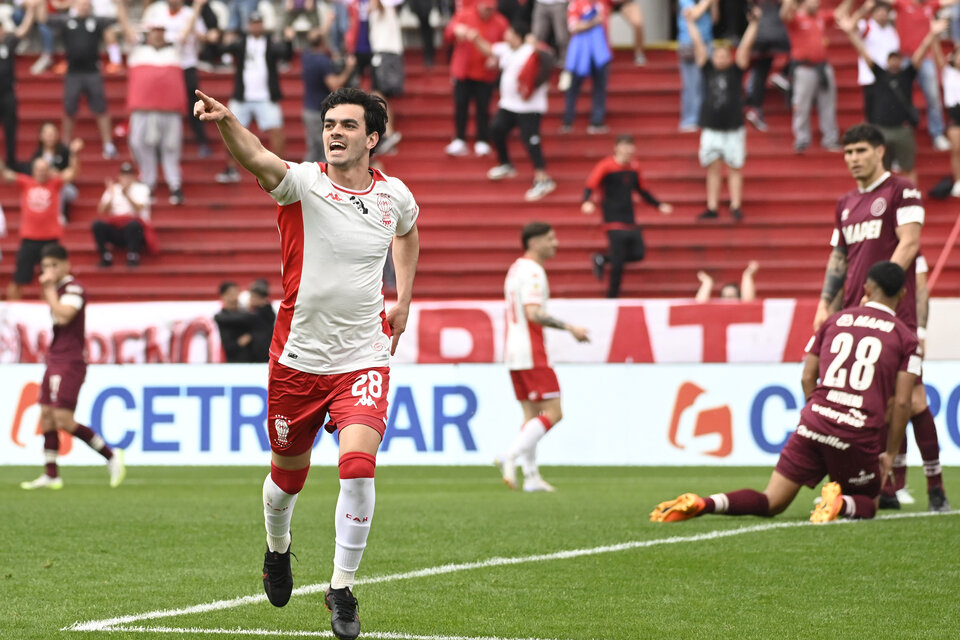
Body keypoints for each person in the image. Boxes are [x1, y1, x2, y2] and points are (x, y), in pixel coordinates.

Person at [194, 85, 420, 640]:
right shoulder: (303, 183)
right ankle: (278, 549)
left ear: (372, 137)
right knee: (286, 480)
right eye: (329, 124)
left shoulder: (395, 197)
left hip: (364, 356)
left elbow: (408, 234)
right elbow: (257, 157)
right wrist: (226, 122)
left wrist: (404, 298)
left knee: (358, 468)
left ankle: (341, 589)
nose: (335, 132)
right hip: (297, 358)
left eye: (347, 125)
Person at [651, 261, 921, 523]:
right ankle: (838, 503)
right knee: (868, 503)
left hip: (814, 422)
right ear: (903, 294)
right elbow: (902, 403)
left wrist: (819, 415)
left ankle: (704, 503)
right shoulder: (905, 338)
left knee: (771, 501)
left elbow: (807, 376)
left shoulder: (833, 321)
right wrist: (890, 455)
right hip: (855, 433)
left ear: (865, 289)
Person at [813, 123, 949, 512]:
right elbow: (838, 258)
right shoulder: (845, 203)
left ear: (878, 151)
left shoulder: (901, 190)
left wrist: (881, 288)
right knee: (876, 404)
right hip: (854, 314)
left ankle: (934, 486)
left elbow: (910, 241)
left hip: (895, 314)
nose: (853, 158)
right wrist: (826, 303)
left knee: (915, 399)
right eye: (847, 152)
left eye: (859, 150)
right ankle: (887, 485)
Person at [20, 243, 127, 490]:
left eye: (53, 265)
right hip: (55, 357)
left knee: (63, 419)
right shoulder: (58, 289)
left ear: (66, 264)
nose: (49, 270)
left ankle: (111, 456)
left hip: (70, 361)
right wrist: (49, 289)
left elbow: (64, 315)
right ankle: (51, 474)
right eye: (45, 266)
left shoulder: (74, 289)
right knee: (46, 415)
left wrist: (47, 289)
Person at [496, 221, 589, 492]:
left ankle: (532, 477)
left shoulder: (515, 269)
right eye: (550, 238)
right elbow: (534, 312)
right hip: (531, 350)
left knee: (531, 416)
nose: (555, 243)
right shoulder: (534, 271)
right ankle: (509, 455)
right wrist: (571, 328)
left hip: (513, 350)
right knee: (554, 412)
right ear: (534, 242)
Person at [837, 14, 947, 185]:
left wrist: (932, 35)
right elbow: (864, 52)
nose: (894, 63)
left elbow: (921, 52)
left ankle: (911, 201)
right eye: (892, 59)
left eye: (897, 59)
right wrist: (851, 34)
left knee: (908, 168)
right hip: (883, 129)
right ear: (887, 62)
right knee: (881, 170)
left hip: (902, 129)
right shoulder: (880, 75)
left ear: (901, 61)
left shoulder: (907, 75)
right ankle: (883, 205)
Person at [686, 3, 758, 221]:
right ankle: (713, 206)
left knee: (735, 167)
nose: (721, 59)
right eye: (717, 56)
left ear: (729, 57)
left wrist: (753, 25)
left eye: (724, 56)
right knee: (713, 168)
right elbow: (699, 45)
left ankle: (736, 205)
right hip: (711, 126)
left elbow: (745, 47)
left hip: (733, 126)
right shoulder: (707, 69)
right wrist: (690, 24)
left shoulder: (736, 71)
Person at [471, 22, 557, 201]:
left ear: (518, 35)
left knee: (531, 141)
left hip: (530, 106)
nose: (506, 35)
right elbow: (490, 50)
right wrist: (476, 38)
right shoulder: (506, 49)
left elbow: (550, 58)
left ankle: (543, 178)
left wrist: (537, 46)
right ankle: (506, 164)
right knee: (496, 130)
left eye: (509, 33)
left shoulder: (530, 50)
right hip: (509, 104)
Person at [581, 134, 673, 298]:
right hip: (612, 220)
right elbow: (591, 184)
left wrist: (659, 205)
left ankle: (602, 259)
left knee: (638, 253)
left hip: (629, 219)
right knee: (618, 264)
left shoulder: (634, 167)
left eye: (630, 146)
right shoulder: (606, 166)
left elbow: (642, 190)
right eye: (624, 146)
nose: (628, 149)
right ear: (616, 147)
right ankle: (612, 298)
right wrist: (587, 201)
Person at [215, 13, 295, 184]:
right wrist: (216, 39)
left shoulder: (270, 43)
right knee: (229, 131)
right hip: (242, 96)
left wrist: (289, 41)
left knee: (276, 132)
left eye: (258, 23)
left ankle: (280, 170)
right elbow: (220, 51)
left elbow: (286, 55)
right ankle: (230, 168)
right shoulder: (241, 42)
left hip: (266, 96)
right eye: (253, 23)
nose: (256, 27)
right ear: (248, 25)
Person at [0, 139, 82, 300]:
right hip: (29, 239)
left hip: (50, 240)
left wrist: (73, 153)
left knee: (50, 280)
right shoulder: (26, 183)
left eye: (44, 169)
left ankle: (48, 310)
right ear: (33, 170)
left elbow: (72, 172)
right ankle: (9, 312)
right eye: (38, 169)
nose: (41, 172)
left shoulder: (55, 183)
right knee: (19, 279)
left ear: (49, 170)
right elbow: (5, 174)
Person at [119, 19, 187, 205]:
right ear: (147, 33)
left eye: (161, 31)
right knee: (139, 143)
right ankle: (148, 182)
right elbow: (126, 28)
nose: (157, 34)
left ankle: (175, 185)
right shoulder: (137, 50)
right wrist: (120, 8)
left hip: (169, 109)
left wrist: (197, 8)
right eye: (154, 31)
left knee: (171, 147)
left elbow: (186, 32)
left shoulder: (174, 50)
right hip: (142, 109)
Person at [141, 0, 213, 158]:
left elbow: (201, 36)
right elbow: (155, 36)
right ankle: (161, 146)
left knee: (194, 104)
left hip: (187, 64)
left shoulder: (188, 13)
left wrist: (202, 32)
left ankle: (202, 141)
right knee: (164, 106)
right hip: (167, 64)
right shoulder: (158, 12)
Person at [443, 0, 509, 157]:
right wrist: (456, 30)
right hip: (463, 70)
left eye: (491, 8)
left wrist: (497, 60)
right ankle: (459, 138)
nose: (488, 11)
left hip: (485, 73)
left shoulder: (500, 22)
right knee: (461, 105)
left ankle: (482, 139)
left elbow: (506, 47)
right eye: (486, 8)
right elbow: (448, 33)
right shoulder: (464, 15)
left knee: (483, 107)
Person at [57, 0, 118, 159]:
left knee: (101, 108)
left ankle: (108, 144)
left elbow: (113, 22)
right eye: (81, 4)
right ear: (75, 6)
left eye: (86, 4)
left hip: (92, 71)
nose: (83, 7)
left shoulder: (97, 22)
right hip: (73, 72)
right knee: (69, 109)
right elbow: (45, 20)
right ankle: (65, 145)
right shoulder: (66, 22)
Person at [892, 0, 952, 151]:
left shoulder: (931, 5)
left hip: (926, 58)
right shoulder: (902, 3)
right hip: (906, 58)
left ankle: (937, 133)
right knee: (901, 96)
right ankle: (899, 131)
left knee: (933, 97)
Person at [781, 0, 840, 154]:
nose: (816, 3)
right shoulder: (797, 18)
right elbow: (784, 15)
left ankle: (830, 139)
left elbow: (839, 13)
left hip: (822, 66)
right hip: (804, 68)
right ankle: (801, 139)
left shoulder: (821, 17)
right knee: (801, 105)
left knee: (828, 105)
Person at [835, 0, 900, 122]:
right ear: (873, 14)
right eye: (879, 12)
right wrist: (864, 9)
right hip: (871, 77)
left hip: (888, 77)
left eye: (885, 12)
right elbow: (850, 26)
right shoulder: (867, 26)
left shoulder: (891, 31)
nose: (882, 15)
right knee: (872, 113)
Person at [301, 30, 356, 162]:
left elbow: (318, 34)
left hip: (309, 109)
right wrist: (349, 68)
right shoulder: (323, 61)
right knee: (322, 150)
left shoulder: (306, 56)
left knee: (314, 149)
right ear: (323, 42)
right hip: (319, 112)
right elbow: (334, 85)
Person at [559, 0, 612, 134]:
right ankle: (568, 121)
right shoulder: (576, 3)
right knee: (573, 87)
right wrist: (593, 22)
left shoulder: (603, 3)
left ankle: (597, 122)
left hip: (599, 50)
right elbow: (573, 26)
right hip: (580, 52)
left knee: (600, 86)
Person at [92, 161, 152, 267]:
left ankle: (133, 255)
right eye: (124, 175)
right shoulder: (113, 189)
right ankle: (105, 256)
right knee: (97, 225)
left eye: (129, 175)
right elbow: (102, 210)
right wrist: (110, 194)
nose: (126, 178)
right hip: (117, 228)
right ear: (119, 176)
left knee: (134, 225)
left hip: (134, 229)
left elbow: (140, 208)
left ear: (134, 176)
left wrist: (127, 195)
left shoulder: (141, 189)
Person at [744, 0, 790, 132]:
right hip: (774, 30)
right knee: (801, 47)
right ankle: (783, 75)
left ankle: (755, 107)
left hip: (760, 30)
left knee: (761, 67)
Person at [21, 123, 79, 220]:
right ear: (41, 136)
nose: (50, 137)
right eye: (47, 134)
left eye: (52, 134)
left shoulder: (64, 151)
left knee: (58, 186)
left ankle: (59, 215)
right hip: (43, 187)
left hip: (64, 186)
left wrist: (73, 154)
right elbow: (32, 174)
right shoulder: (38, 154)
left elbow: (73, 171)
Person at [676, 0, 718, 132]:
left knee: (705, 84)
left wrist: (714, 5)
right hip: (689, 44)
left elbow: (715, 19)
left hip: (707, 42)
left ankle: (704, 118)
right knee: (692, 84)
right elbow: (694, 14)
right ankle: (689, 120)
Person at [0, 14, 34, 168]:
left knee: (10, 127)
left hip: (7, 93)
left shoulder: (8, 43)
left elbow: (23, 31)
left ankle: (11, 161)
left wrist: (31, 11)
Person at [214, 280, 254, 362]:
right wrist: (239, 343)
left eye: (236, 292)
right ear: (223, 295)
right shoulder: (221, 317)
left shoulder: (246, 314)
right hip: (231, 361)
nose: (234, 295)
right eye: (230, 293)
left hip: (250, 360)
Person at [248, 278, 276, 362]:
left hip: (263, 350)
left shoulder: (265, 311)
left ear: (262, 298)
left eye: (254, 297)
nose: (251, 299)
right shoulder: (257, 310)